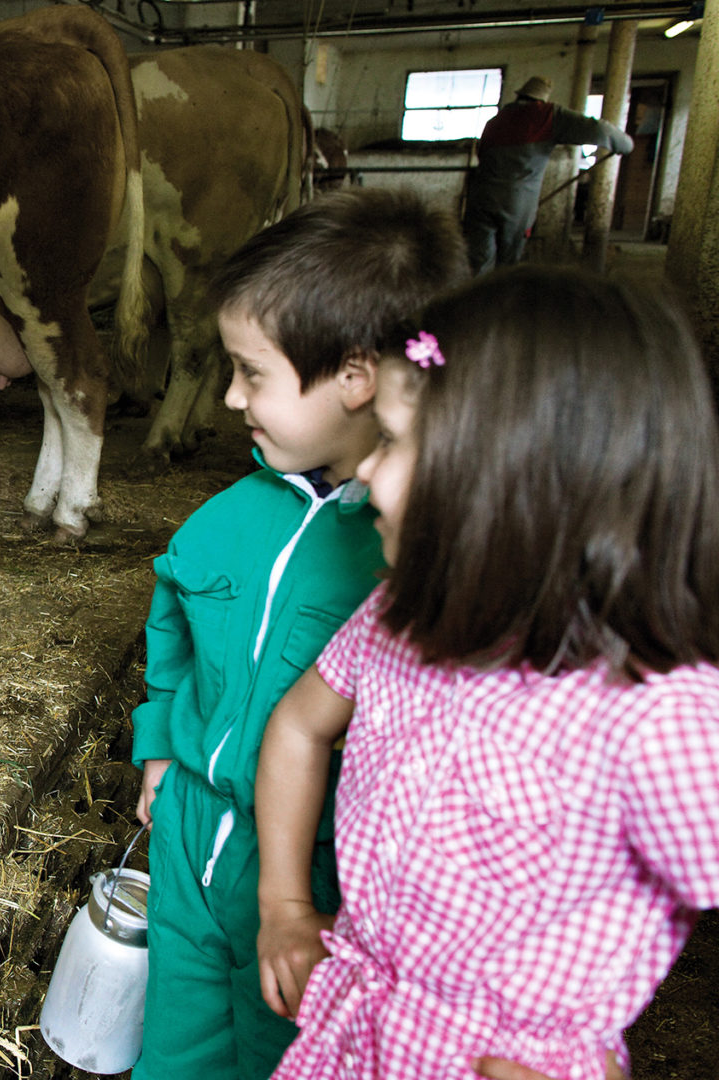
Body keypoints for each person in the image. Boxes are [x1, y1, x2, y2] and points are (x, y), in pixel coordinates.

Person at [255, 265, 719, 1080]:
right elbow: (298, 722)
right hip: (353, 1037)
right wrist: (285, 904)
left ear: (508, 473)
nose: (364, 471)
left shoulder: (655, 711)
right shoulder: (398, 618)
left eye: (393, 441)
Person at [126, 188, 468, 1080]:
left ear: (355, 376)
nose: (229, 396)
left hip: (314, 873)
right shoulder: (226, 517)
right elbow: (173, 622)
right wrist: (160, 748)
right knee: (174, 1048)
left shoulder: (407, 560)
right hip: (189, 833)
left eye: (252, 373)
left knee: (284, 1055)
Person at [461, 75, 635, 275]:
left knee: (479, 261)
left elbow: (482, 154)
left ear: (520, 95)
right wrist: (625, 144)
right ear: (541, 98)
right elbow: (598, 129)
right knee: (508, 263)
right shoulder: (546, 116)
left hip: (480, 198)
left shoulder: (495, 121)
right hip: (516, 202)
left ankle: (479, 291)